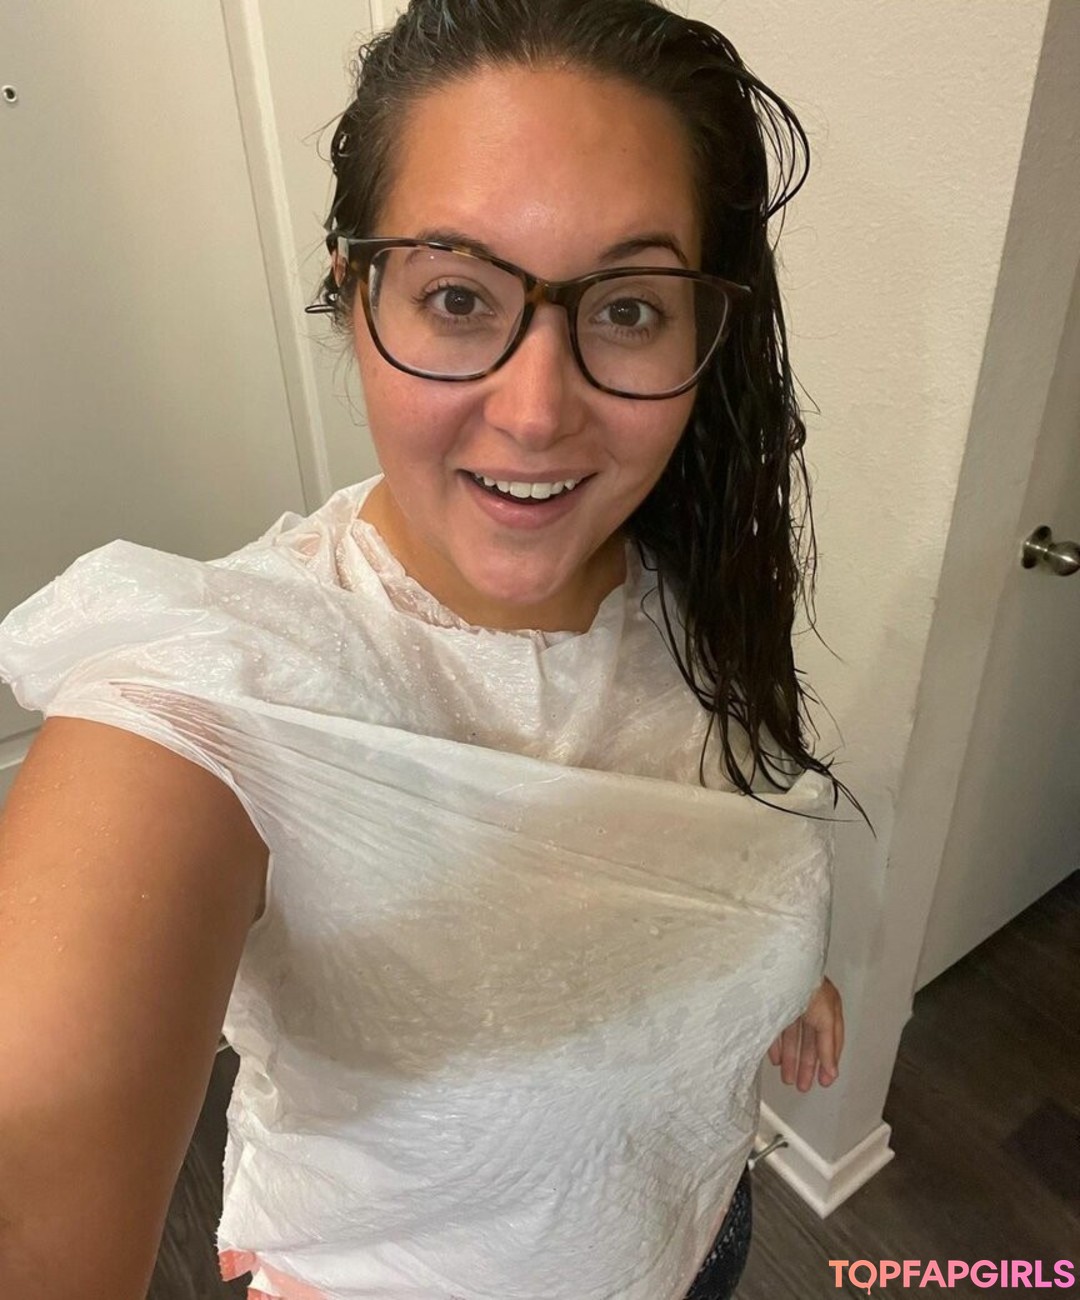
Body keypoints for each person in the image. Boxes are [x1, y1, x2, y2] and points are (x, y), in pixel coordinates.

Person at [0, 1, 859, 1297]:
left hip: (700, 1239)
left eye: (629, 309)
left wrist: (766, 963)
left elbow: (717, 842)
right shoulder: (216, 690)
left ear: (705, 337)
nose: (538, 411)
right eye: (458, 297)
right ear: (354, 298)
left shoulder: (692, 583)